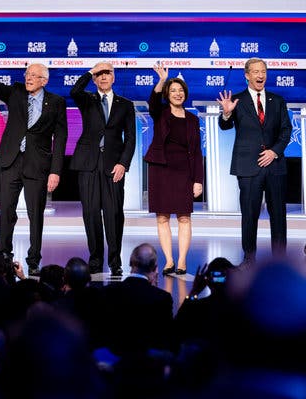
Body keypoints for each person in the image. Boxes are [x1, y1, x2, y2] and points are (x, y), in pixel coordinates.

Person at [0, 36, 68, 276]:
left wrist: (55, 170)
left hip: (38, 165)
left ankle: (34, 259)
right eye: (27, 74)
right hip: (10, 161)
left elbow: (61, 137)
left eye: (33, 75)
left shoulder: (56, 102)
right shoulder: (15, 92)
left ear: (44, 80)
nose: (28, 78)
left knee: (36, 215)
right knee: (7, 213)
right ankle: (5, 256)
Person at [217, 57, 291, 265]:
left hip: (274, 166)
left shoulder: (277, 101)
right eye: (256, 72)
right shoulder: (237, 101)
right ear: (247, 75)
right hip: (248, 166)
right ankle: (249, 259)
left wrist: (274, 152)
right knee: (249, 215)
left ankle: (280, 262)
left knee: (279, 216)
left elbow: (286, 131)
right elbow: (225, 126)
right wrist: (226, 113)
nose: (261, 75)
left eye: (263, 72)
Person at [70, 62, 136, 276]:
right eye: (99, 74)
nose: (103, 77)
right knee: (90, 213)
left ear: (114, 77)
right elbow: (74, 90)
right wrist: (90, 70)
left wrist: (123, 164)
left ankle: (115, 261)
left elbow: (131, 138)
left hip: (113, 166)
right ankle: (95, 260)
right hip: (88, 163)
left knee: (114, 213)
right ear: (95, 79)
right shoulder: (87, 100)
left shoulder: (125, 104)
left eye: (107, 73)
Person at [144, 64, 204, 275]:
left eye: (180, 91)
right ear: (167, 95)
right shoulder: (160, 113)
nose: (177, 94)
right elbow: (153, 101)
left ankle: (182, 261)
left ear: (185, 94)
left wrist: (198, 180)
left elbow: (197, 151)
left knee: (184, 217)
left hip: (184, 171)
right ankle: (169, 261)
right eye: (173, 91)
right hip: (161, 169)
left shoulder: (193, 120)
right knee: (162, 217)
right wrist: (162, 80)